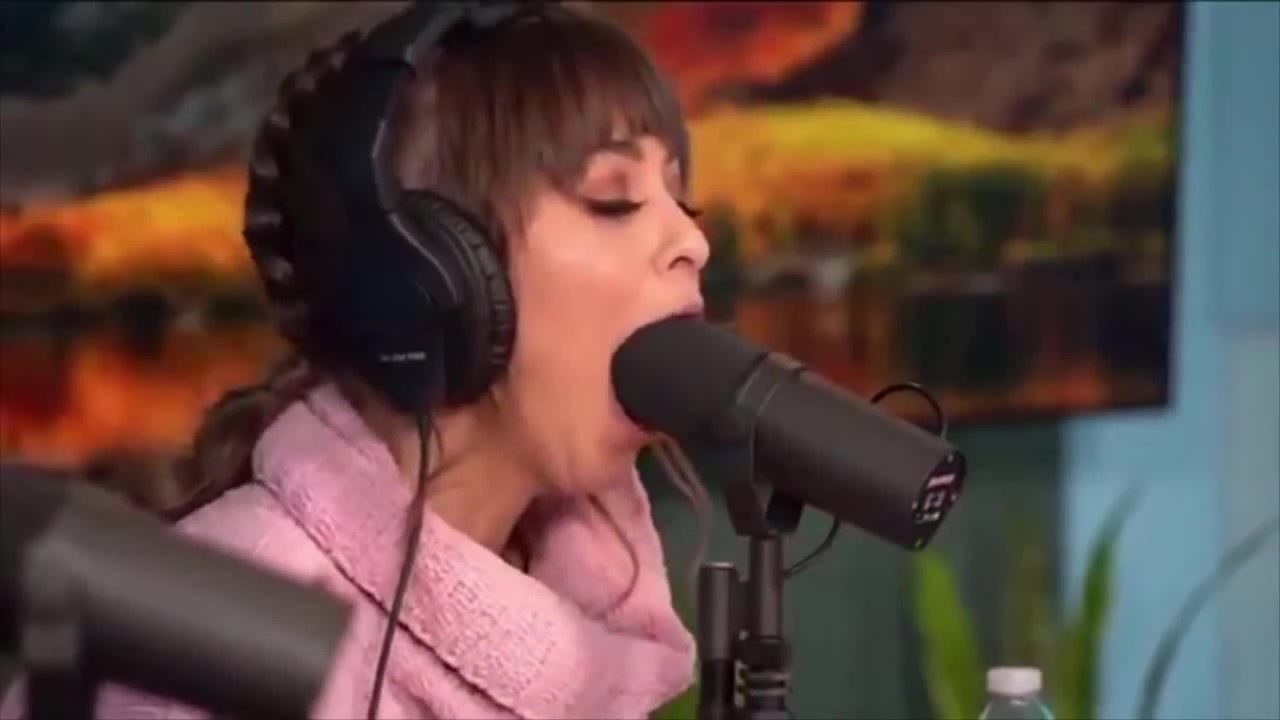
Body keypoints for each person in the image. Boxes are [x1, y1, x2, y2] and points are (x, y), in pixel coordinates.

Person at [2, 4, 710, 719]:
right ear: (435, 278)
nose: (691, 242)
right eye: (614, 200)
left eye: (684, 203)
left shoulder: (603, 623)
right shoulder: (200, 650)